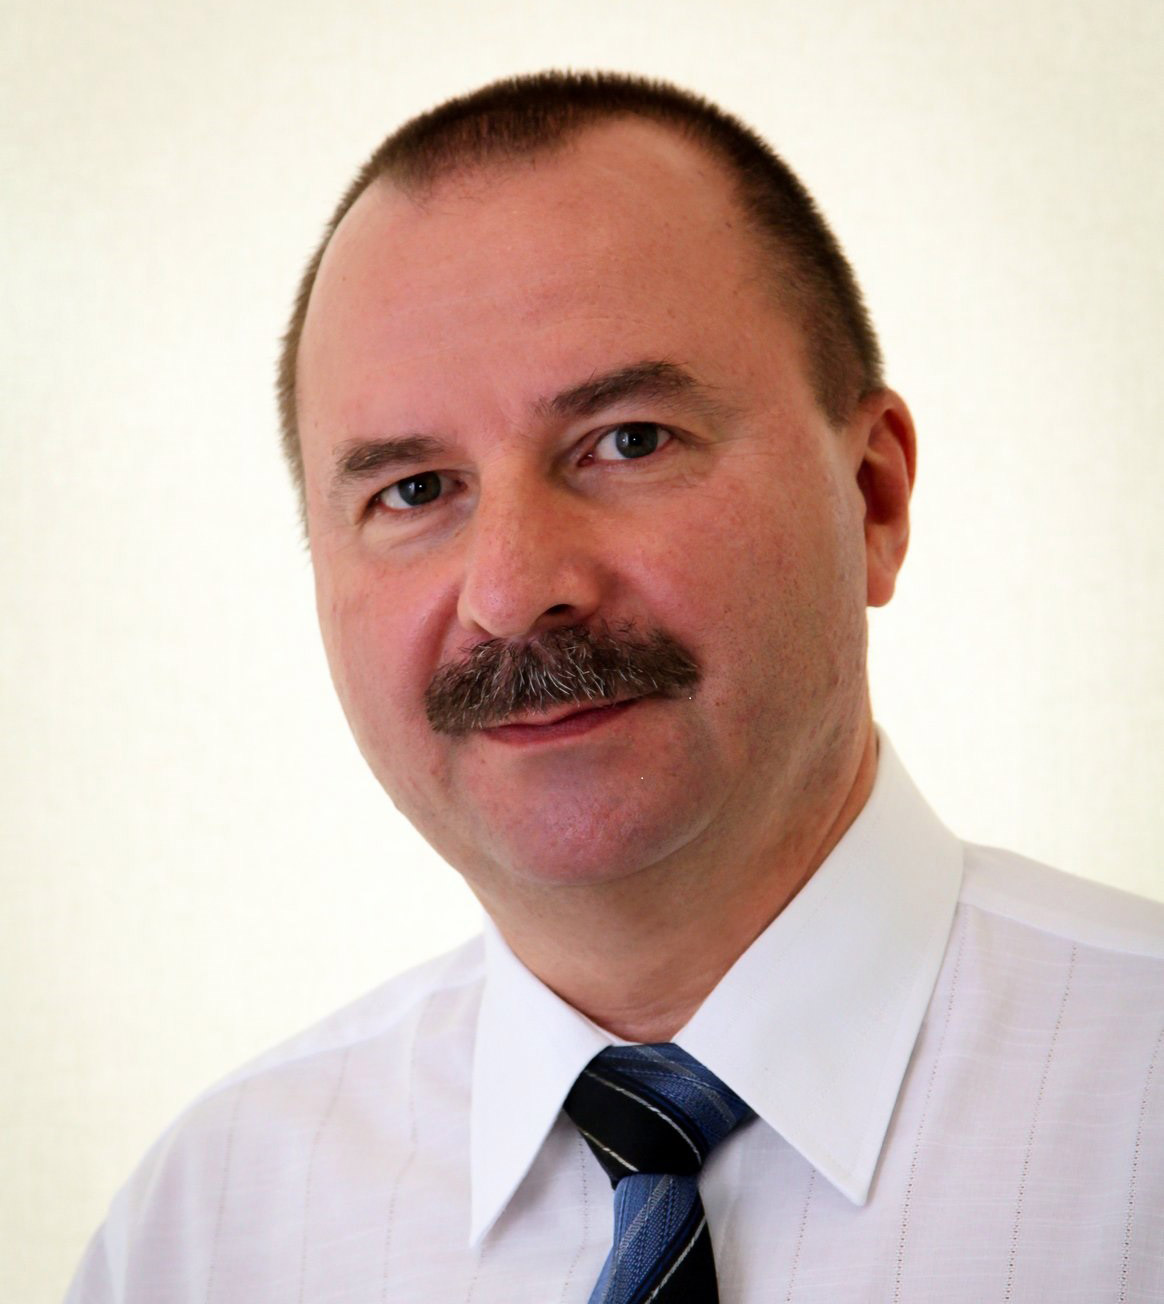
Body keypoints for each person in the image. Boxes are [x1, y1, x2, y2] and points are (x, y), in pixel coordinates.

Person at [65, 72, 1164, 1303]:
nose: (513, 589)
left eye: (629, 440)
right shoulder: (208, 1232)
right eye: (413, 491)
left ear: (874, 498)